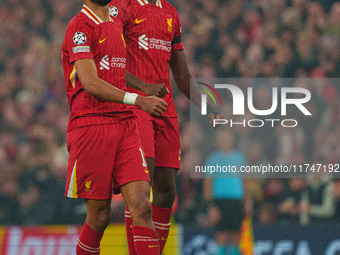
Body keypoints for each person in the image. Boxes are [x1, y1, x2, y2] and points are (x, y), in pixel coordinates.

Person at [62, 0, 169, 254]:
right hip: (91, 125)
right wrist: (139, 99)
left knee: (142, 205)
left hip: (125, 123)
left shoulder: (115, 22)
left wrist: (141, 86)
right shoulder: (80, 28)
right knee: (100, 216)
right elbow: (90, 82)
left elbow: (116, 69)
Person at [108, 0, 210, 253]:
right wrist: (142, 89)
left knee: (166, 190)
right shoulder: (123, 7)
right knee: (141, 191)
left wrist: (208, 105)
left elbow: (182, 74)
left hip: (165, 109)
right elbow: (109, 60)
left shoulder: (170, 13)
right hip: (136, 106)